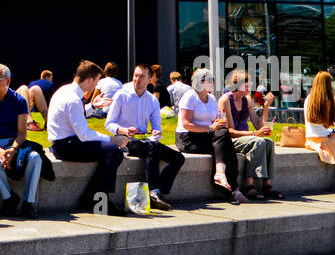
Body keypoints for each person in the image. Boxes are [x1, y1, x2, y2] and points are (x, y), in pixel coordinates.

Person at [48, 61, 129, 212]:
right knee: (114, 151)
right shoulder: (73, 99)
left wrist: (92, 106)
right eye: (97, 81)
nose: (97, 86)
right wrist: (113, 139)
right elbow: (85, 135)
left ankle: (91, 197)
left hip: (61, 143)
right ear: (90, 79)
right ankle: (99, 201)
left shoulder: (64, 91)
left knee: (110, 151)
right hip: (66, 146)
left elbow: (72, 117)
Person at [106, 63, 185, 210]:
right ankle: (154, 191)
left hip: (144, 140)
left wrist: (156, 132)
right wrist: (123, 130)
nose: (137, 79)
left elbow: (157, 128)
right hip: (124, 140)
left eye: (142, 76)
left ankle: (159, 191)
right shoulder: (121, 95)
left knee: (178, 158)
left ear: (150, 79)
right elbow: (109, 124)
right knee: (152, 147)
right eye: (135, 75)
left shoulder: (152, 100)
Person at [0, 64, 42, 218]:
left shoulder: (19, 101)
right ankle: (9, 198)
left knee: (35, 158)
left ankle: (28, 203)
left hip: (13, 142)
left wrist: (12, 150)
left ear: (8, 81)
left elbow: (22, 133)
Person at [175, 68, 245, 202]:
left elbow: (215, 120)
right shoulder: (190, 96)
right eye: (210, 80)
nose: (213, 82)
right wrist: (210, 128)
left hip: (206, 135)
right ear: (201, 82)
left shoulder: (212, 98)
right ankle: (234, 189)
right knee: (225, 146)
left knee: (224, 138)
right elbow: (186, 124)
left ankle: (221, 175)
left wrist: (218, 124)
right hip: (187, 138)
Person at [218, 70, 283, 200]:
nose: (250, 87)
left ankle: (267, 184)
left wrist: (265, 107)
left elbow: (258, 125)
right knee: (258, 141)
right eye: (247, 85)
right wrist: (254, 133)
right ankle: (248, 185)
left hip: (247, 138)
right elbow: (229, 131)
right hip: (232, 139)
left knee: (268, 142)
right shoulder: (226, 100)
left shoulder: (247, 100)